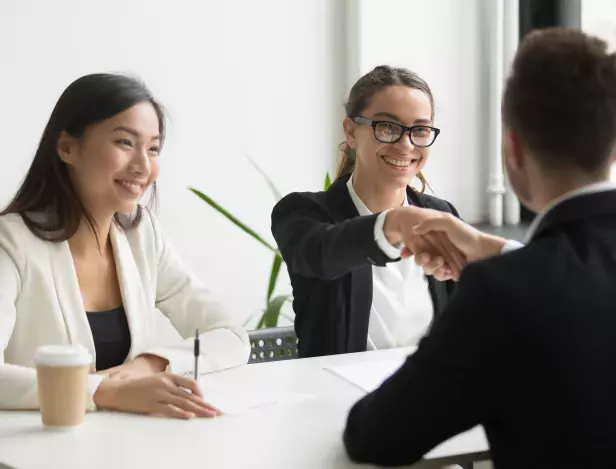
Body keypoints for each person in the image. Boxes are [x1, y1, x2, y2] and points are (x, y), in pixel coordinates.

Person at [343, 29, 616, 468]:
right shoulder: (513, 277)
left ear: (512, 149)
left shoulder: (502, 293)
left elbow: (376, 436)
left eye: (419, 131)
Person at [0, 73, 250, 419]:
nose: (143, 166)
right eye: (124, 143)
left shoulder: (142, 235)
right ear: (67, 148)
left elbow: (231, 336)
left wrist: (151, 363)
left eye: (153, 148)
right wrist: (107, 391)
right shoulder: (11, 242)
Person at [271, 65, 476, 358]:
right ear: (351, 132)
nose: (405, 145)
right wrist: (394, 223)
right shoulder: (304, 213)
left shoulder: (441, 213)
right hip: (336, 399)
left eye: (419, 130)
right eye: (388, 127)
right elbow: (321, 253)